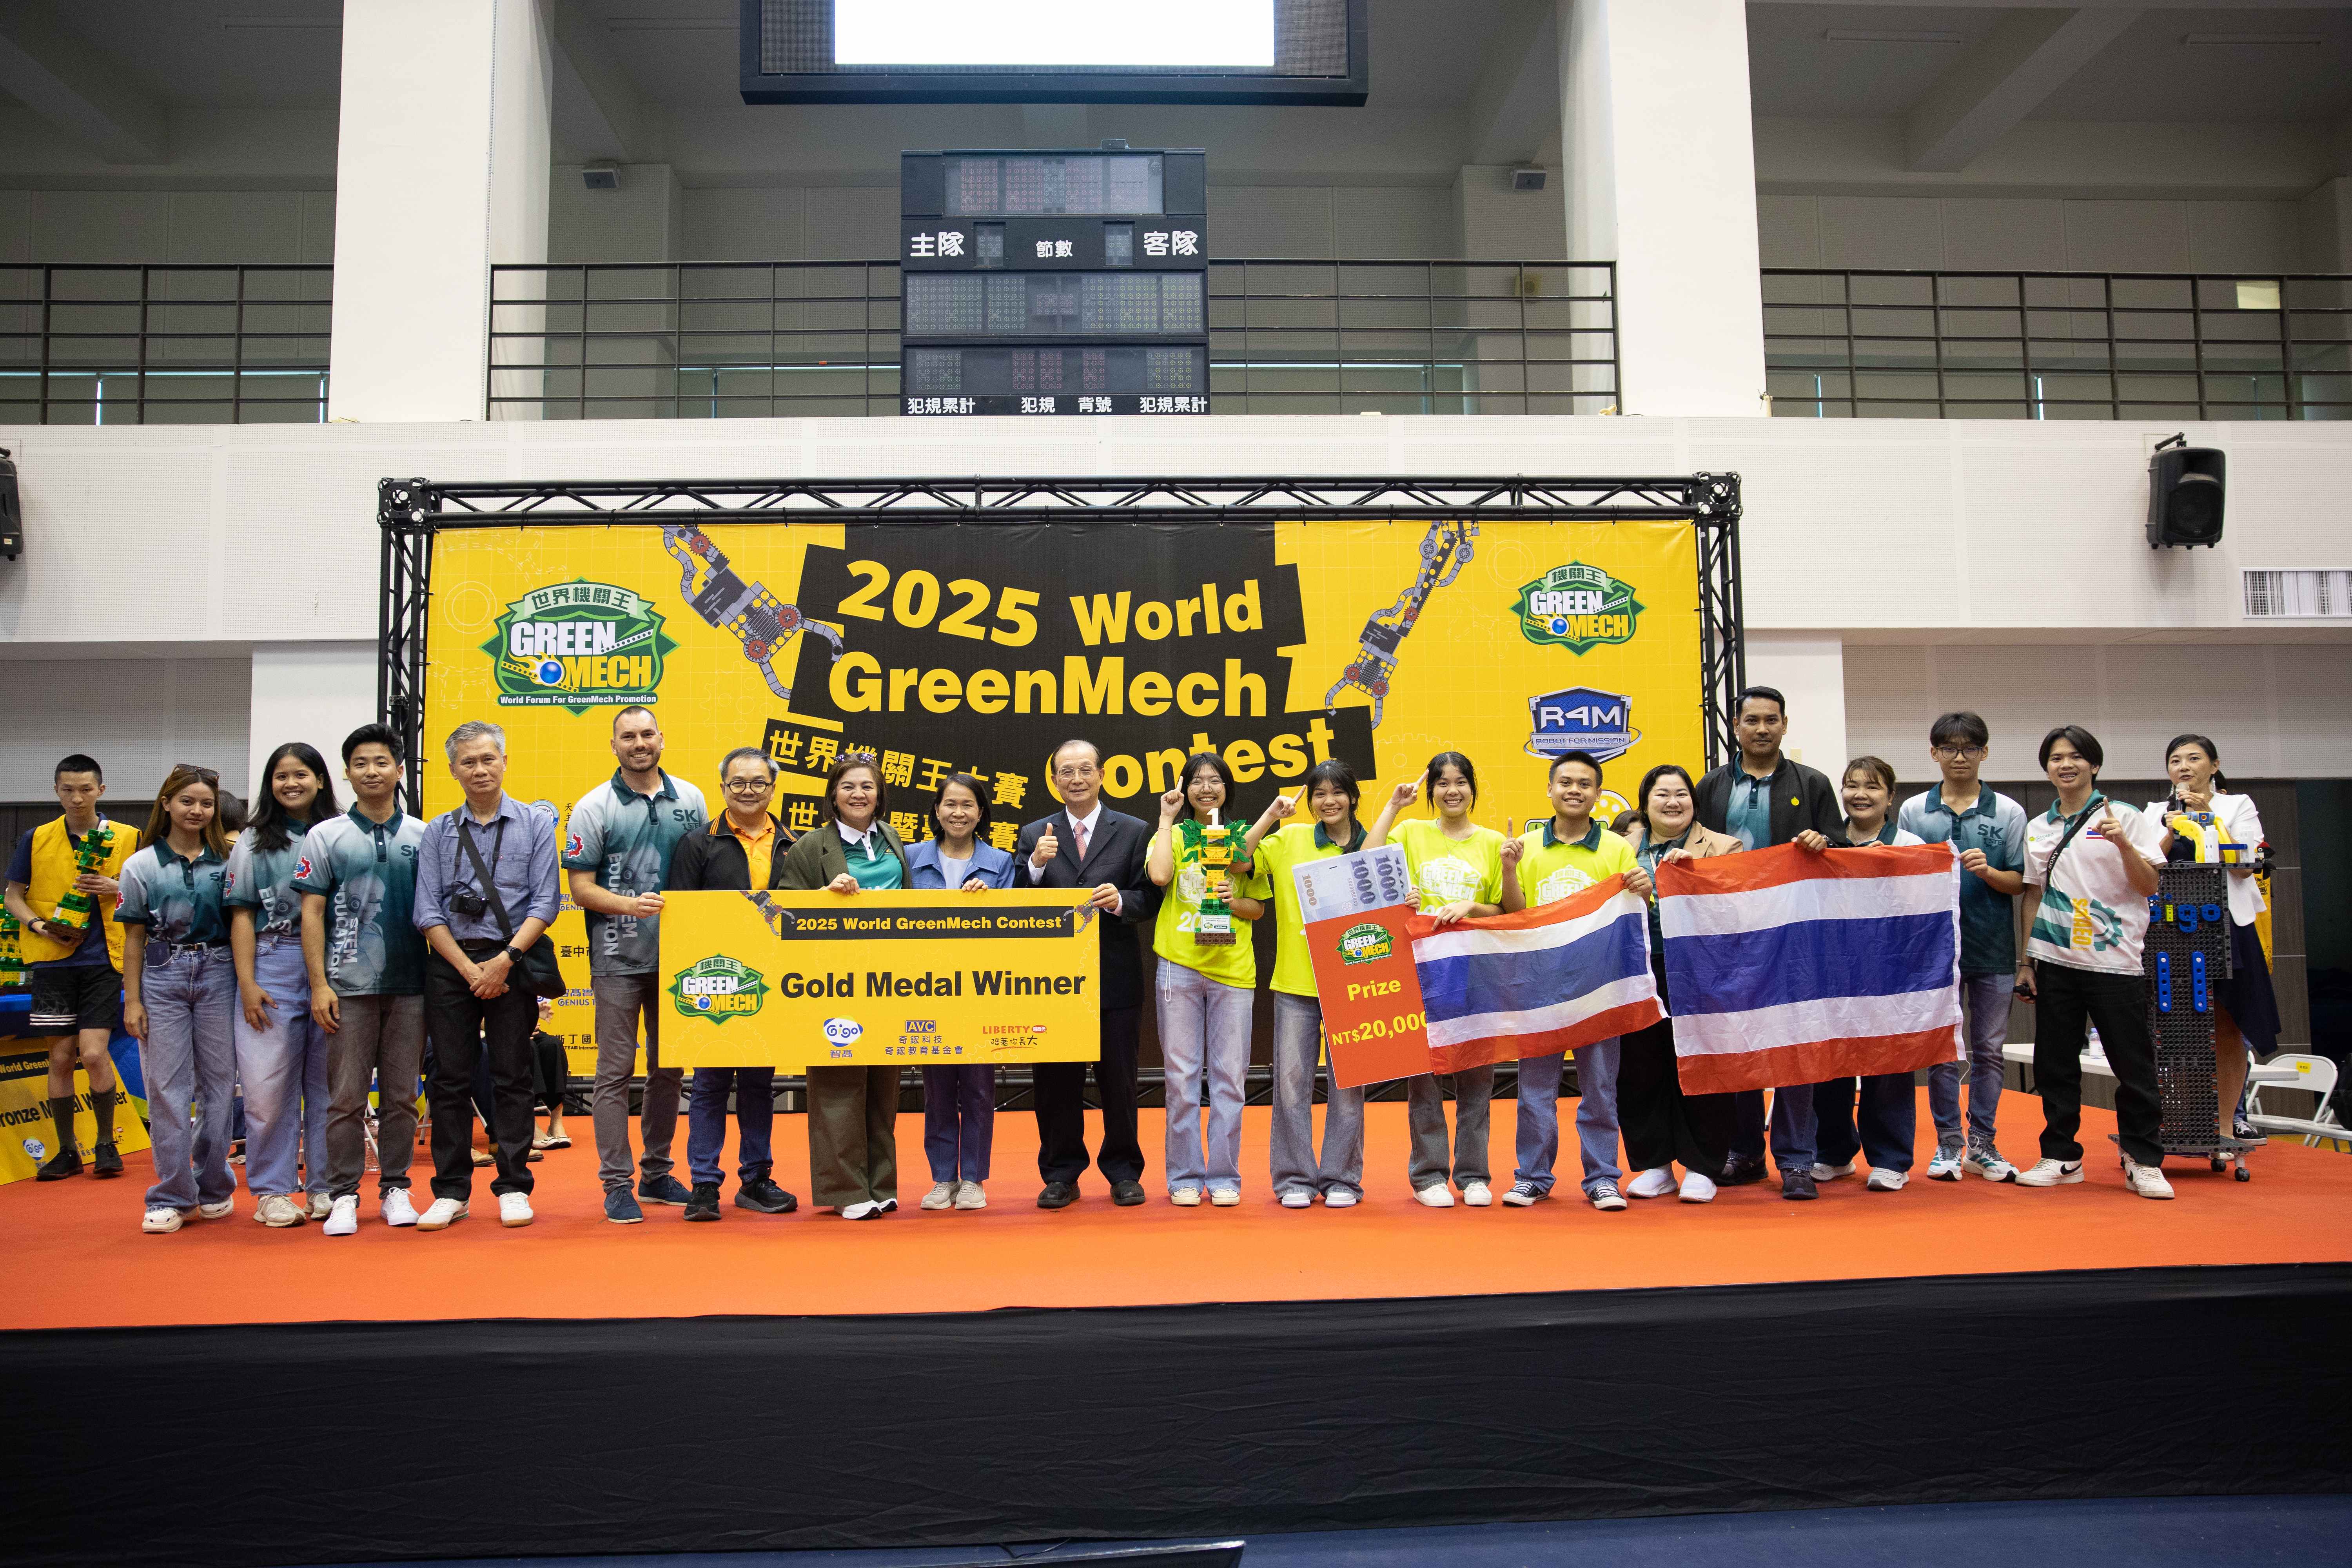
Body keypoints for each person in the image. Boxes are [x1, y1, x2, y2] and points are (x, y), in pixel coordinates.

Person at [1692, 686, 1841, 1195]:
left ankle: (1797, 1159)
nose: (1762, 728)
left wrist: (1824, 842)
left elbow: (1842, 847)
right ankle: (1745, 1153)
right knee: (1741, 1044)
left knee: (1795, 1047)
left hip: (1795, 935)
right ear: (1736, 726)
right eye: (1752, 720)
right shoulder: (1711, 786)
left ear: (1784, 725)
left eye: (1771, 720)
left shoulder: (1812, 783)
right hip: (1730, 935)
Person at [411, 721, 560, 1232]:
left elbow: (546, 902)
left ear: (504, 761)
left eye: (488, 759)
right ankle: (451, 1192)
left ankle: (515, 1185)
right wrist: (467, 968)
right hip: (451, 965)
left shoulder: (535, 823)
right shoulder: (438, 831)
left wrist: (505, 961)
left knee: (513, 1076)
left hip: (512, 962)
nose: (480, 769)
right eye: (468, 762)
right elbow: (427, 911)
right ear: (453, 770)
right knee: (449, 1079)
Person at [564, 706, 708, 1225]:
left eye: (647, 734)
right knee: (613, 1072)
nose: (640, 743)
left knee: (668, 1070)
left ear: (662, 739)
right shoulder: (592, 807)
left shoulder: (692, 798)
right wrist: (631, 906)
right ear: (615, 745)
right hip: (617, 959)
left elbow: (705, 870)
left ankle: (656, 1172)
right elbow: (580, 888)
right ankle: (616, 1183)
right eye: (628, 736)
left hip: (680, 961)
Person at [2015, 725, 2172, 1199]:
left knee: (2134, 1067)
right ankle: (2061, 1156)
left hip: (2116, 962)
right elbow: (2033, 895)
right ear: (2047, 768)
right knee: (2055, 1066)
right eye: (2056, 758)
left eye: (2076, 757)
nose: (2066, 765)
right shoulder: (2038, 827)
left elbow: (2149, 886)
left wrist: (2123, 844)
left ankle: (2143, 1159)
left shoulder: (2124, 816)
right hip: (2056, 959)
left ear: (2095, 765)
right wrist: (2027, 962)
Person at [1499, 750, 1649, 1212]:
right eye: (1565, 782)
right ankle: (1532, 1177)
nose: (1574, 790)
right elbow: (1514, 913)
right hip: (1539, 987)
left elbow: (1631, 912)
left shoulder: (1616, 849)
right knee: (1535, 1091)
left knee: (1600, 1089)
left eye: (1585, 784)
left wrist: (1644, 889)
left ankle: (1603, 1178)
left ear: (1598, 794)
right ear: (1549, 788)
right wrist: (1509, 868)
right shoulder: (1527, 845)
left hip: (1599, 989)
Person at [295, 723, 429, 1234]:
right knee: (345, 1098)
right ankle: (343, 1194)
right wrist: (319, 984)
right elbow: (311, 914)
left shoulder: (424, 835)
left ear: (400, 771)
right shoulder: (325, 836)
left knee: (401, 1097)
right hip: (345, 989)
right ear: (347, 773)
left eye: (381, 762)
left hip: (411, 986)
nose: (371, 772)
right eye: (360, 764)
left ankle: (396, 1187)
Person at [1014, 739, 1160, 1210]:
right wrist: (1036, 867)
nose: (1076, 779)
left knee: (1119, 1081)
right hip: (1053, 982)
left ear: (1101, 776)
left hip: (1114, 977)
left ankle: (1124, 1171)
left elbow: (1150, 896)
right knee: (1055, 1084)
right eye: (1066, 772)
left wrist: (1121, 902)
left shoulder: (1134, 830)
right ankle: (1061, 1173)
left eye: (1084, 770)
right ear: (1054, 780)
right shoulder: (1034, 834)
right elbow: (1014, 902)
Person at [667, 745, 801, 1222]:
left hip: (774, 981)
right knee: (709, 1083)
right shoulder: (697, 843)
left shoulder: (795, 843)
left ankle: (756, 1178)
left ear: (773, 787)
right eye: (738, 783)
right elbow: (680, 916)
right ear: (723, 787)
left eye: (758, 782)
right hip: (713, 980)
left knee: (759, 1084)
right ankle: (704, 1184)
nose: (748, 791)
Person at [1365, 753, 1504, 1208]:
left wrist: (1472, 907)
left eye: (1461, 782)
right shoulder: (1410, 833)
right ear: (1431, 793)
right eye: (1442, 783)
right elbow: (1368, 861)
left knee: (1476, 1077)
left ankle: (1474, 1175)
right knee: (1424, 1079)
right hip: (1420, 972)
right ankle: (1429, 1176)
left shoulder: (1492, 842)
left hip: (1476, 972)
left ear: (1473, 789)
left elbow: (1507, 909)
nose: (1452, 791)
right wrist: (1393, 807)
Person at [1895, 711, 2028, 1183]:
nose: (1959, 757)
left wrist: (1988, 872)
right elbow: (1902, 879)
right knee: (1942, 1051)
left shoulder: (2008, 811)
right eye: (1949, 748)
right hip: (1934, 953)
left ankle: (1983, 1144)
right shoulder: (1914, 810)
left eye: (1969, 748)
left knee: (1989, 1050)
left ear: (1984, 752)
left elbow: (2020, 883)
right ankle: (1949, 1144)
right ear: (1934, 753)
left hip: (1992, 948)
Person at [782, 753, 912, 1220]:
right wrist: (824, 896)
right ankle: (845, 1189)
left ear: (880, 795)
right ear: (833, 796)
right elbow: (782, 910)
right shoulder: (810, 845)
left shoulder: (893, 838)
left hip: (891, 979)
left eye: (868, 787)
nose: (859, 794)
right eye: (849, 787)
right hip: (833, 979)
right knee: (838, 1083)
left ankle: (881, 1182)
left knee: (883, 1081)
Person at [1241, 760, 1368, 1209]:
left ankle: (1342, 1179)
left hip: (1355, 984)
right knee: (1292, 1084)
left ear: (1353, 797)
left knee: (1349, 1086)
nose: (1329, 801)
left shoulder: (1377, 844)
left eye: (1338, 792)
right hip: (1296, 983)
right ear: (1310, 801)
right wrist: (1270, 816)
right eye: (1319, 794)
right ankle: (1294, 1178)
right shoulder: (1290, 838)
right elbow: (1237, 859)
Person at [6, 754, 138, 1182]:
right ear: (57, 791)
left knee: (94, 1053)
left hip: (106, 960)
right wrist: (39, 925)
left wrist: (117, 886)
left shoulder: (129, 837)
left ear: (101, 790)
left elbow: (151, 891)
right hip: (53, 961)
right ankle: (67, 1151)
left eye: (85, 789)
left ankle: (106, 1144)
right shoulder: (37, 837)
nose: (77, 798)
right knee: (60, 1056)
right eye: (68, 790)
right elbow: (13, 895)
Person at [117, 764, 237, 1234]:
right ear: (166, 803)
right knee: (166, 1089)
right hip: (161, 974)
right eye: (187, 801)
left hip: (220, 972)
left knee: (220, 1086)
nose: (197, 810)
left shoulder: (229, 861)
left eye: (206, 803)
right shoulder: (141, 865)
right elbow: (133, 938)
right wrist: (132, 1000)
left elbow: (243, 925)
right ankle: (171, 1194)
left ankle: (214, 1186)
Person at [1145, 753, 1267, 1208]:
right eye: (1197, 781)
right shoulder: (1176, 835)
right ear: (1186, 790)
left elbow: (1258, 908)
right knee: (1180, 1078)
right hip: (1179, 965)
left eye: (1215, 780)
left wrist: (1232, 902)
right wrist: (1165, 818)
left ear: (1227, 788)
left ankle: (1224, 1175)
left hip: (1232, 972)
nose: (1206, 788)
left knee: (1230, 1078)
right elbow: (1160, 875)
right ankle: (1183, 1175)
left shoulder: (1244, 839)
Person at [1615, 764, 1741, 1202]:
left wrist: (1696, 877)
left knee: (1703, 1065)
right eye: (1662, 794)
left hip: (1703, 973)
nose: (1673, 802)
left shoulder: (1724, 846)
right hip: (1638, 971)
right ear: (1645, 804)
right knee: (1641, 1068)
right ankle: (1655, 1165)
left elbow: (1735, 908)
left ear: (1694, 801)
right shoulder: (1620, 849)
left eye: (1681, 794)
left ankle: (1703, 1166)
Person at [224, 742, 338, 1227]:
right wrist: (247, 982)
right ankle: (272, 1191)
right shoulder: (253, 842)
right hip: (272, 962)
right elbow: (241, 914)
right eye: (281, 776)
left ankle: (327, 1186)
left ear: (320, 779)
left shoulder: (340, 832)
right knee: (266, 1087)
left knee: (330, 1087)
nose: (291, 784)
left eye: (301, 774)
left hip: (336, 963)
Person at [2149, 734, 2280, 1142]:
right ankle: (2182, 1124)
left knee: (2226, 1026)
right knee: (2175, 1030)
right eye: (2176, 760)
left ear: (2214, 765)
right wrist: (2169, 830)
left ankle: (2223, 1127)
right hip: (2171, 930)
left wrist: (2209, 819)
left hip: (2227, 929)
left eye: (2194, 758)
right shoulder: (2155, 811)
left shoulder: (2236, 806)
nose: (2184, 767)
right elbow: (2145, 867)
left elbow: (2245, 866)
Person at [1810, 757, 1926, 1194]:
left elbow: (1923, 911)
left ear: (1891, 797)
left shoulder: (1910, 845)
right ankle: (1834, 1152)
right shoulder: (1826, 842)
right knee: (1830, 1064)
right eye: (1852, 785)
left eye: (1872, 787)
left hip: (1889, 972)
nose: (1860, 794)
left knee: (1888, 1064)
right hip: (1834, 969)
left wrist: (1887, 867)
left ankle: (1891, 1158)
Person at [905, 772, 1017, 1211]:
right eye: (950, 804)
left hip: (980, 992)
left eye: (968, 805)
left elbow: (1012, 929)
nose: (958, 813)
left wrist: (990, 903)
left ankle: (973, 1178)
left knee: (978, 1090)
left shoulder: (1001, 863)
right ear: (936, 811)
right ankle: (942, 1179)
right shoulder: (910, 857)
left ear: (981, 812)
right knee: (936, 1091)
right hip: (924, 990)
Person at [531, 996, 573, 1154]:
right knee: (528, 1048)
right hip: (497, 1032)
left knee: (552, 1045)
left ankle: (556, 1123)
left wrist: (533, 1014)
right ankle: (529, 1124)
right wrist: (517, 1023)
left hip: (525, 1028)